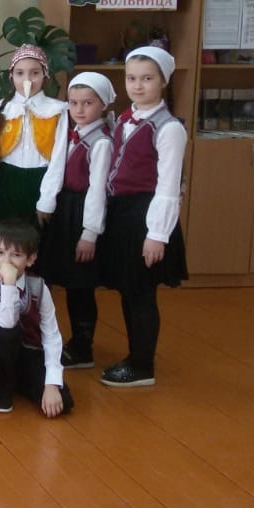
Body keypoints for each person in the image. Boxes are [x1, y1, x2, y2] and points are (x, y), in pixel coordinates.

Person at [99, 47, 188, 387]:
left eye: (147, 78)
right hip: (123, 213)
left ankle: (142, 364)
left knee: (141, 294)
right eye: (131, 78)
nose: (137, 86)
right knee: (128, 289)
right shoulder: (126, 117)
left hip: (146, 216)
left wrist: (157, 235)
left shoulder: (169, 128)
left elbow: (168, 186)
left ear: (163, 81)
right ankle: (134, 355)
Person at [37, 72, 114, 369]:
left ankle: (83, 345)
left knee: (81, 284)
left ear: (103, 104)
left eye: (88, 103)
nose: (79, 109)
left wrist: (90, 233)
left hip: (83, 214)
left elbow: (97, 191)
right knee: (69, 282)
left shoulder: (100, 142)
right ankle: (65, 340)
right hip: (66, 210)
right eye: (73, 103)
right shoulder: (71, 133)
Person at [0, 220, 74, 416]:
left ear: (30, 259)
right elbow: (7, 322)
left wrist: (52, 383)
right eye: (0, 253)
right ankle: (4, 387)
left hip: (30, 353)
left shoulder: (39, 287)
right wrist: (9, 284)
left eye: (16, 255)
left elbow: (51, 335)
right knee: (8, 332)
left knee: (64, 403)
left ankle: (21, 380)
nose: (6, 261)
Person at [0, 44, 67, 227]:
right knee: (6, 236)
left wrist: (47, 201)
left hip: (42, 181)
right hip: (6, 183)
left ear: (45, 75)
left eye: (35, 73)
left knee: (37, 237)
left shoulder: (57, 110)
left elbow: (59, 158)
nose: (27, 79)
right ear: (11, 76)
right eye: (20, 73)